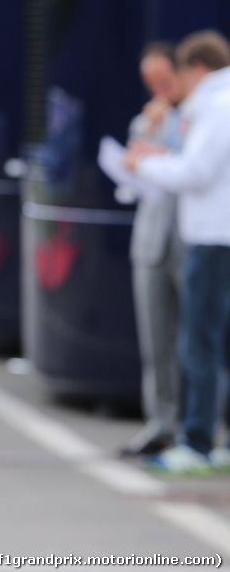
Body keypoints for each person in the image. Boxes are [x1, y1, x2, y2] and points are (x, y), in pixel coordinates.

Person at [127, 30, 230, 476]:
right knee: (202, 341)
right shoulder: (211, 105)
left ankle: (198, 440)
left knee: (199, 343)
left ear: (194, 69)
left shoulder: (217, 105)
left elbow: (196, 171)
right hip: (205, 235)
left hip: (209, 237)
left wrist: (146, 162)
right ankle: (199, 436)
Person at [118, 42, 188, 457]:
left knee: (200, 342)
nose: (159, 90)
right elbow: (130, 168)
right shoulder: (148, 119)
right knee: (156, 341)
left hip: (191, 239)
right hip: (151, 241)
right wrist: (147, 131)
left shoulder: (202, 115)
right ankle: (162, 423)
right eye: (151, 83)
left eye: (164, 80)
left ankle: (204, 425)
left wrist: (161, 151)